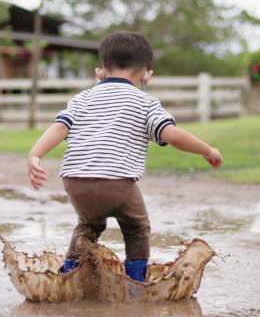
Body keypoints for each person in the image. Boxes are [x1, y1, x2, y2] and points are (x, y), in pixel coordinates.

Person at [26, 32, 223, 282]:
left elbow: (60, 127)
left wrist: (36, 153)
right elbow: (172, 135)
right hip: (117, 182)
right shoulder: (145, 102)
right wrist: (207, 150)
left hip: (75, 181)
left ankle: (69, 274)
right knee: (137, 228)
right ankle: (135, 281)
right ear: (147, 74)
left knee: (88, 225)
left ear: (100, 72)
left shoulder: (81, 99)